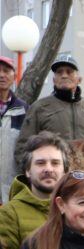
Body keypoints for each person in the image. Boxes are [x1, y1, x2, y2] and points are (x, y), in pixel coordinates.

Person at [15, 55, 84, 174]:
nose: (64, 75)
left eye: (69, 71)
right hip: (53, 178)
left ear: (79, 79)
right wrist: (33, 175)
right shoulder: (39, 108)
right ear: (54, 80)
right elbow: (23, 146)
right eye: (59, 72)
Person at [0, 132, 67, 249]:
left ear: (65, 171)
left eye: (55, 163)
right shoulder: (9, 213)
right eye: (40, 163)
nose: (48, 169)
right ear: (28, 171)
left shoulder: (76, 209)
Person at [0, 56, 27, 203]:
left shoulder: (24, 110)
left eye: (6, 71)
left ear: (14, 76)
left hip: (12, 190)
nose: (1, 75)